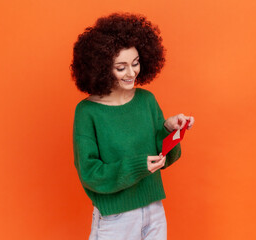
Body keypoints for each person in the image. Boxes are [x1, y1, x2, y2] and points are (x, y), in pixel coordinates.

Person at [71, 12, 194, 240]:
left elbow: (166, 157)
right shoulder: (88, 112)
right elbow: (90, 173)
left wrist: (169, 129)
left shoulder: (146, 100)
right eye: (121, 67)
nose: (131, 73)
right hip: (115, 217)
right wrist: (137, 167)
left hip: (154, 210)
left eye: (135, 63)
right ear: (102, 68)